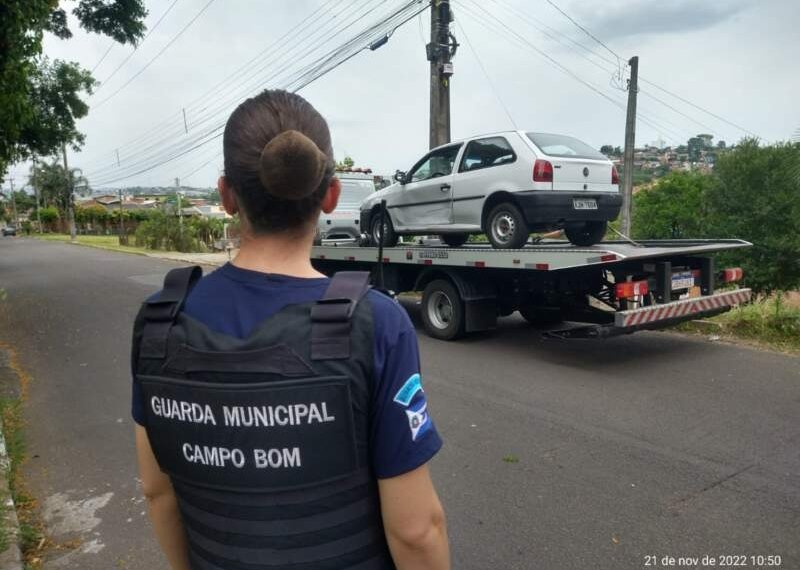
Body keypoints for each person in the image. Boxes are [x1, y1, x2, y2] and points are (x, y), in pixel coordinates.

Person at [131, 89, 450, 570]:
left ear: (226, 196)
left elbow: (158, 492)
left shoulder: (159, 323)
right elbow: (416, 531)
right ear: (331, 195)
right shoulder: (376, 323)